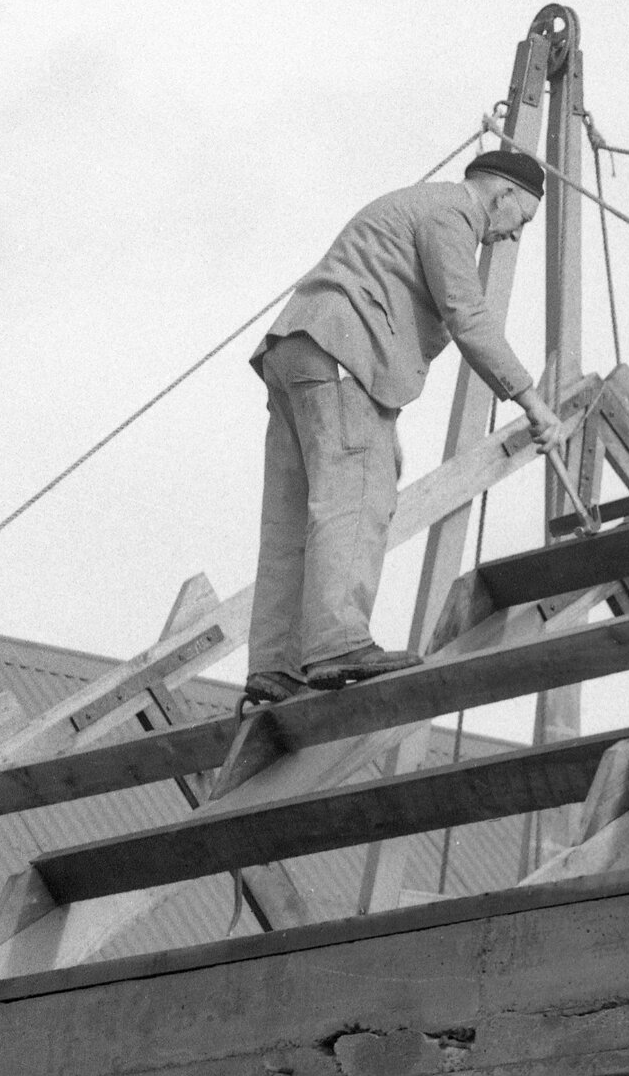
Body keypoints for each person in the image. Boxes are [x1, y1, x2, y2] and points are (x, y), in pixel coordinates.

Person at [244, 144, 576, 701]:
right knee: (358, 496)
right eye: (521, 220)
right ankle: (337, 643)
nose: (513, 235)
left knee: (294, 517)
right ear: (504, 195)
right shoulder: (453, 213)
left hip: (299, 351)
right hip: (344, 354)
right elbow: (466, 314)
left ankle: (275, 663)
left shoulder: (414, 206)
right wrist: (532, 401)